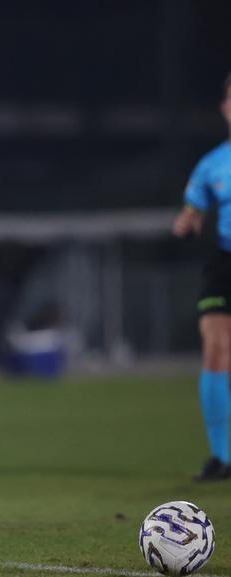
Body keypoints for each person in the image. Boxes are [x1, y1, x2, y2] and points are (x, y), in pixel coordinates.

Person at [173, 71, 231, 482]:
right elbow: (191, 214)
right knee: (215, 349)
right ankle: (222, 458)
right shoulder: (213, 164)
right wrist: (186, 222)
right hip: (224, 261)